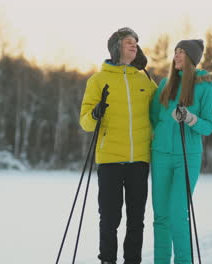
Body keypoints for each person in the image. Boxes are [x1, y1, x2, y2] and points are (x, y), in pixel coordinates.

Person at [79, 27, 157, 264]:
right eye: (128, 42)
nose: (134, 46)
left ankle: (133, 261)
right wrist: (95, 113)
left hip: (139, 160)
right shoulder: (98, 80)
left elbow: (162, 110)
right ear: (116, 48)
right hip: (110, 159)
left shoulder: (145, 81)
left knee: (136, 219)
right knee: (110, 219)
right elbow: (85, 123)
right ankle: (107, 261)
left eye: (136, 42)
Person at [149, 39, 212, 264]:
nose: (176, 56)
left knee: (177, 215)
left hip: (187, 157)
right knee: (161, 216)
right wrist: (157, 134)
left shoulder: (205, 86)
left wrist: (189, 118)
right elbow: (153, 116)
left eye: (182, 52)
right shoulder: (165, 84)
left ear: (192, 58)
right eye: (175, 52)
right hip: (160, 155)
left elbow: (208, 126)